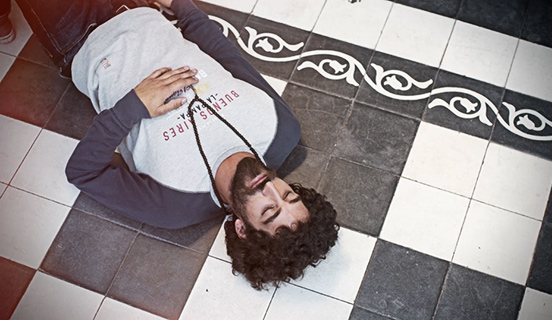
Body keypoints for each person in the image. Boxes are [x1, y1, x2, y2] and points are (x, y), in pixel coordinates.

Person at [18, 0, 339, 290]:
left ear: (242, 229)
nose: (270, 189)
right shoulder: (282, 130)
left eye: (269, 211)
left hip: (80, 36)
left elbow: (82, 171)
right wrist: (180, 6)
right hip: (144, 9)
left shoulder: (174, 206)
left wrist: (134, 106)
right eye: (288, 194)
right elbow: (228, 59)